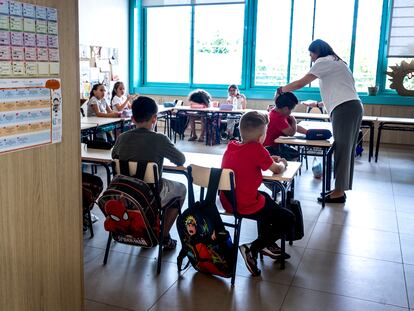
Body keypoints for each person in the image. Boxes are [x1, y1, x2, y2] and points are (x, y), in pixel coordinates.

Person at [276, 39, 363, 204]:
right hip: (350, 107)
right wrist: (320, 104)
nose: (311, 58)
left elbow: (302, 82)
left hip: (345, 109)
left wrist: (282, 89)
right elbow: (341, 89)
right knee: (345, 149)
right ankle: (339, 189)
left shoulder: (324, 61)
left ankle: (339, 192)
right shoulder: (337, 62)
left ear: (318, 51)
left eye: (311, 54)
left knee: (343, 150)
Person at [219, 111, 295, 276]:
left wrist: (267, 157)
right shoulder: (257, 150)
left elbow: (252, 159)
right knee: (288, 218)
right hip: (245, 204)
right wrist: (282, 162)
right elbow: (276, 170)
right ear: (262, 136)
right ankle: (253, 248)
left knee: (266, 198)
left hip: (228, 200)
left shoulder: (232, 146)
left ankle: (266, 244)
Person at [112, 96, 187, 250]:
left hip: (125, 194)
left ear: (132, 119)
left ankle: (145, 224)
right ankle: (163, 236)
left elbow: (114, 157)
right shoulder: (160, 139)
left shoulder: (121, 138)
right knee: (181, 189)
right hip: (151, 194)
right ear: (154, 118)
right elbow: (180, 159)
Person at [263, 92, 307, 161]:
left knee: (294, 153)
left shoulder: (278, 112)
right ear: (286, 109)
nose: (290, 112)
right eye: (291, 110)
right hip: (270, 148)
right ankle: (287, 170)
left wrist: (307, 132)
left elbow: (292, 126)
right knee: (295, 154)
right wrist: (294, 121)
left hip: (276, 145)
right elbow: (291, 132)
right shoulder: (277, 117)